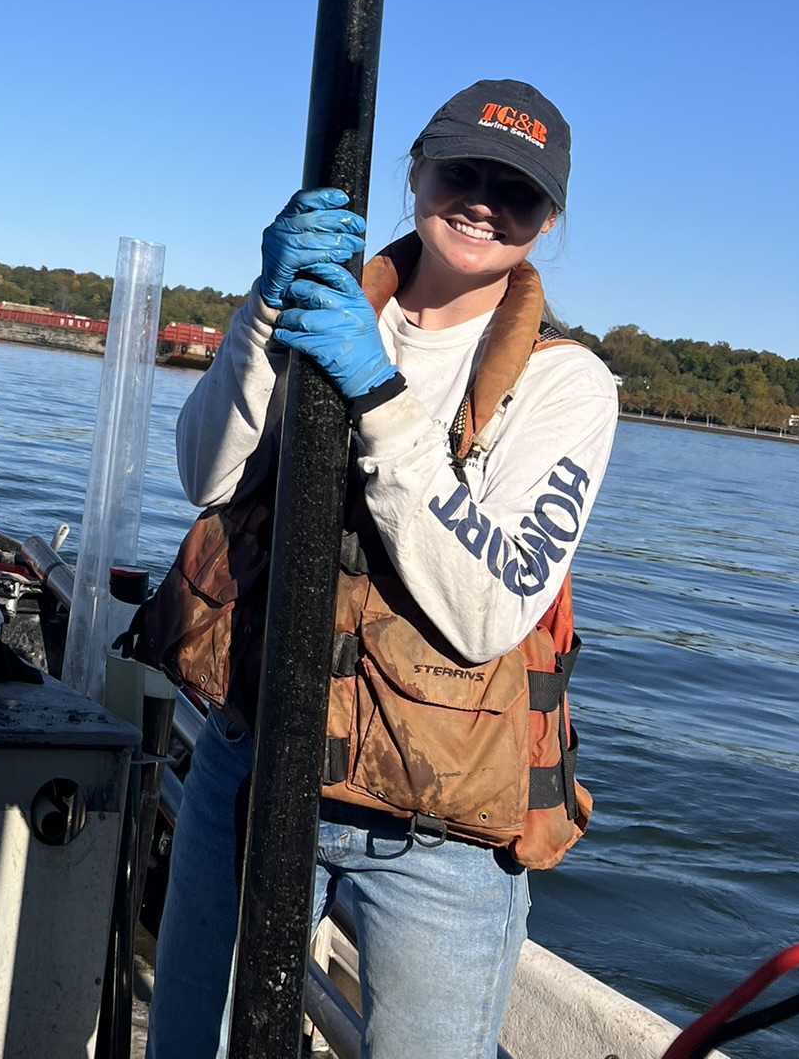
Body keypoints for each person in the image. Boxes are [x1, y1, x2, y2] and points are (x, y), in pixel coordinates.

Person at [141, 79, 619, 1059]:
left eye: (517, 191)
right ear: (414, 171)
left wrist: (379, 399)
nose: (484, 199)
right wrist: (267, 301)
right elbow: (207, 470)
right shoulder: (321, 297)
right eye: (462, 171)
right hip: (251, 758)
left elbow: (488, 609)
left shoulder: (568, 384)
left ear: (548, 220)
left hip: (436, 832)